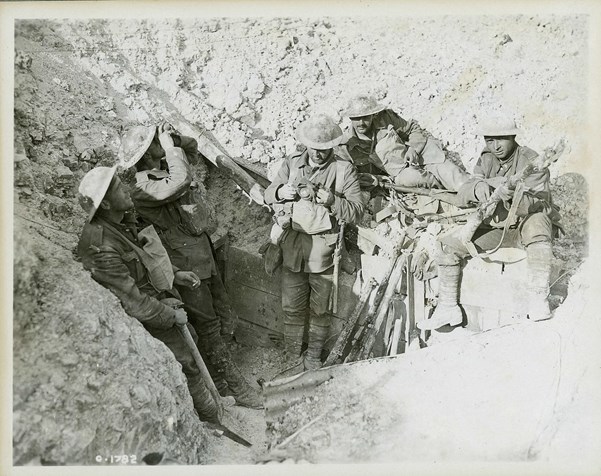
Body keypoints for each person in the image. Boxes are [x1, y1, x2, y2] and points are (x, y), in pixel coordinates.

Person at [117, 124, 261, 409]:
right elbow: (181, 181)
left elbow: (192, 150)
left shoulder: (168, 167)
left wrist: (175, 140)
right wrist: (170, 148)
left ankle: (220, 382)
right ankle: (238, 389)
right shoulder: (142, 186)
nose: (165, 143)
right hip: (184, 263)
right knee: (207, 325)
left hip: (203, 253)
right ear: (147, 154)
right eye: (155, 142)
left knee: (221, 316)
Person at [76, 166, 222, 423]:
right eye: (120, 188)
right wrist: (170, 315)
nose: (127, 189)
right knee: (183, 361)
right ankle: (210, 417)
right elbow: (135, 304)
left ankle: (213, 402)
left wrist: (175, 274)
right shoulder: (100, 245)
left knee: (194, 339)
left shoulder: (121, 222)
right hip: (143, 317)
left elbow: (143, 258)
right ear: (107, 204)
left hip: (156, 299)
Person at [417, 117, 560, 330]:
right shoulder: (487, 158)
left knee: (539, 224)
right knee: (449, 245)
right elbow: (465, 189)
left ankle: (538, 298)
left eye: (501, 139)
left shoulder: (532, 162)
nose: (495, 146)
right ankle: (448, 307)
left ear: (513, 137)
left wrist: (510, 194)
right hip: (496, 226)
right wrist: (479, 189)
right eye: (490, 140)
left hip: (524, 225)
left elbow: (539, 203)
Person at [264, 113, 365, 372]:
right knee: (291, 307)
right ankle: (291, 355)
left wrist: (332, 201)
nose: (318, 154)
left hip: (323, 250)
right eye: (314, 148)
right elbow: (268, 194)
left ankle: (313, 358)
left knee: (320, 310)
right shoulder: (292, 164)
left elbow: (356, 211)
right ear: (305, 144)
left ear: (333, 147)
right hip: (293, 248)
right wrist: (279, 192)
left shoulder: (343, 170)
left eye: (324, 149)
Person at [341, 94, 481, 199]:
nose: (361, 123)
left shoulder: (385, 119)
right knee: (416, 179)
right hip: (400, 174)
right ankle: (453, 197)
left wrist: (413, 148)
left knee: (453, 174)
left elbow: (412, 129)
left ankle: (480, 195)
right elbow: (353, 176)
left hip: (419, 155)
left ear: (373, 115)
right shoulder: (347, 145)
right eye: (356, 118)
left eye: (365, 117)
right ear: (350, 119)